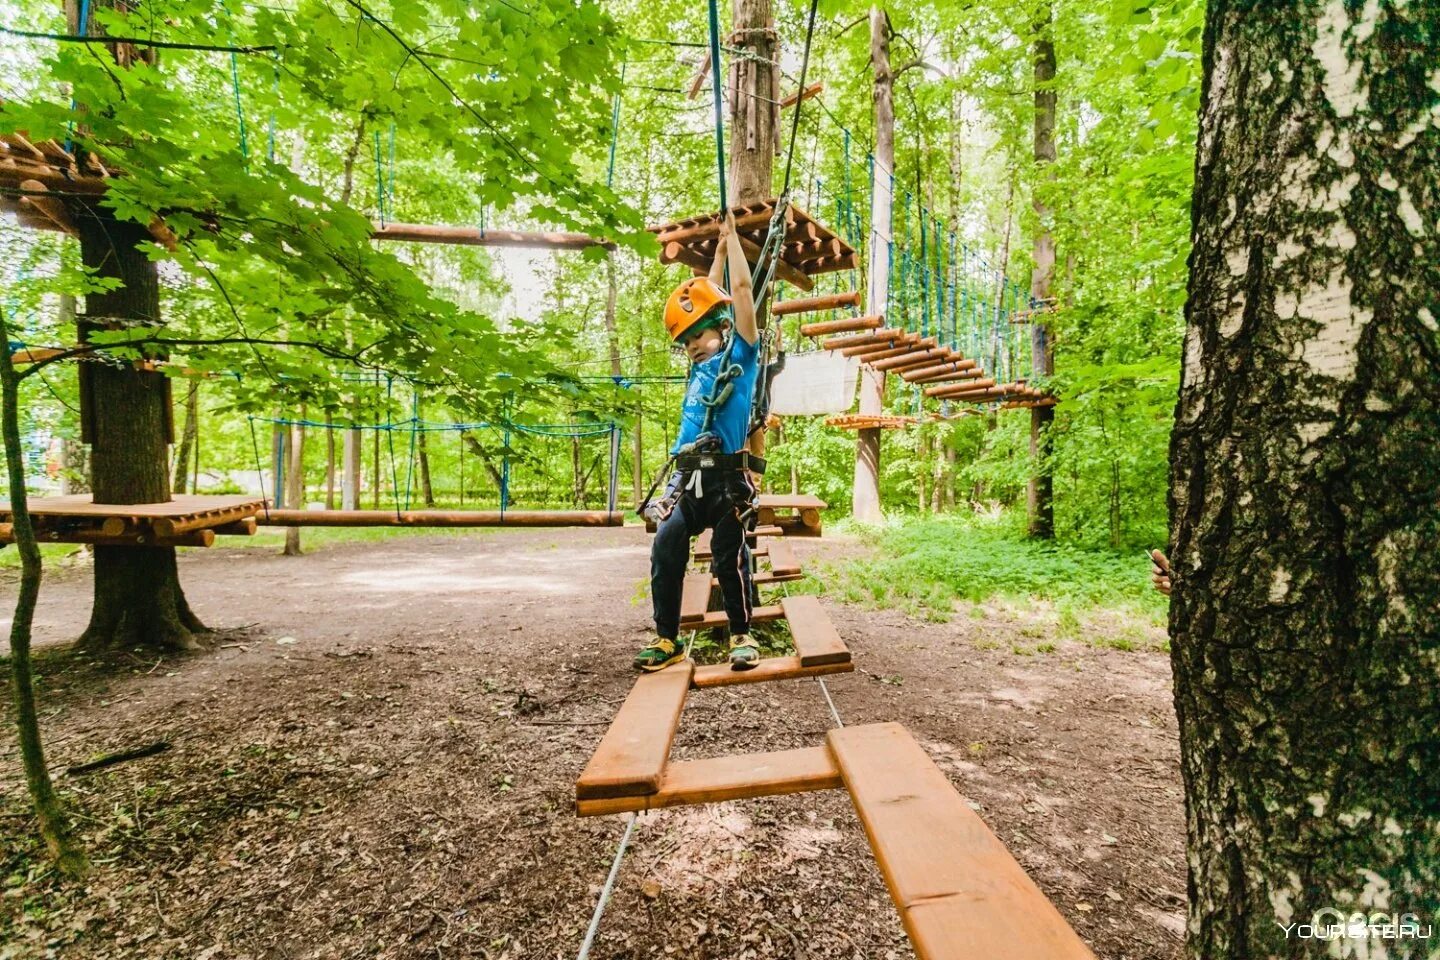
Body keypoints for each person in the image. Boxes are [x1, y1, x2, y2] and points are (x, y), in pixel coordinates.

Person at [635, 212, 762, 673]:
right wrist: (719, 251)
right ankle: (666, 637)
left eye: (699, 335)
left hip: (727, 480)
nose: (691, 344)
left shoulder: (741, 356)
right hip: (688, 480)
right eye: (685, 340)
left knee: (729, 559)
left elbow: (740, 295)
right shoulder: (697, 368)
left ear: (722, 326)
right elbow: (705, 295)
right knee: (665, 546)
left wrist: (737, 249)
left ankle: (742, 634)